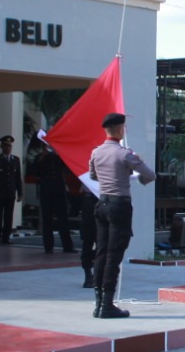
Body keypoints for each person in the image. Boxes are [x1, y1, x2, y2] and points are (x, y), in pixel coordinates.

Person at [87, 112, 156, 318]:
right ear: (119, 130)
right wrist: (131, 173)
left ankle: (98, 303)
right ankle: (107, 304)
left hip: (102, 203)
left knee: (101, 252)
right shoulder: (125, 154)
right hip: (119, 205)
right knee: (114, 255)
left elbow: (93, 176)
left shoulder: (96, 152)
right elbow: (150, 175)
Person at [34, 145, 75, 254]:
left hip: (59, 191)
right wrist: (43, 156)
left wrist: (60, 153)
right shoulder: (41, 158)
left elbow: (67, 166)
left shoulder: (59, 157)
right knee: (47, 220)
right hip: (46, 192)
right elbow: (36, 170)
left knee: (63, 220)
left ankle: (67, 246)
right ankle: (48, 246)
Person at [0, 134, 22, 245]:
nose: (8, 148)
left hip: (10, 193)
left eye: (9, 146)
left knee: (8, 217)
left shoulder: (15, 160)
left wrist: (20, 193)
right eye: (5, 146)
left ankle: (6, 238)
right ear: (1, 147)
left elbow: (18, 178)